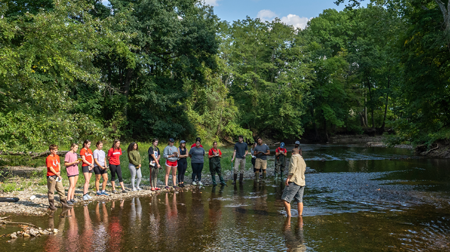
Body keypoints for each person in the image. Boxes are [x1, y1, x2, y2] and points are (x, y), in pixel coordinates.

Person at [281, 147, 306, 217]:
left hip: (294, 181)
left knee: (285, 199)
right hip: (302, 182)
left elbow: (293, 167)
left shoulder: (294, 157)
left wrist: (288, 178)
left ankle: (289, 216)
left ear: (292, 153)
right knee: (300, 200)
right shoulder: (302, 158)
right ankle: (300, 216)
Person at [46, 144, 72, 210]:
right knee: (51, 191)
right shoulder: (48, 158)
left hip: (57, 175)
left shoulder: (57, 156)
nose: (56, 151)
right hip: (51, 176)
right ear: (51, 150)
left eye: (57, 150)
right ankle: (51, 205)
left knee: (61, 189)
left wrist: (59, 172)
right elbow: (50, 167)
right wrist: (56, 173)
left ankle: (64, 204)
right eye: (55, 150)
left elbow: (58, 164)